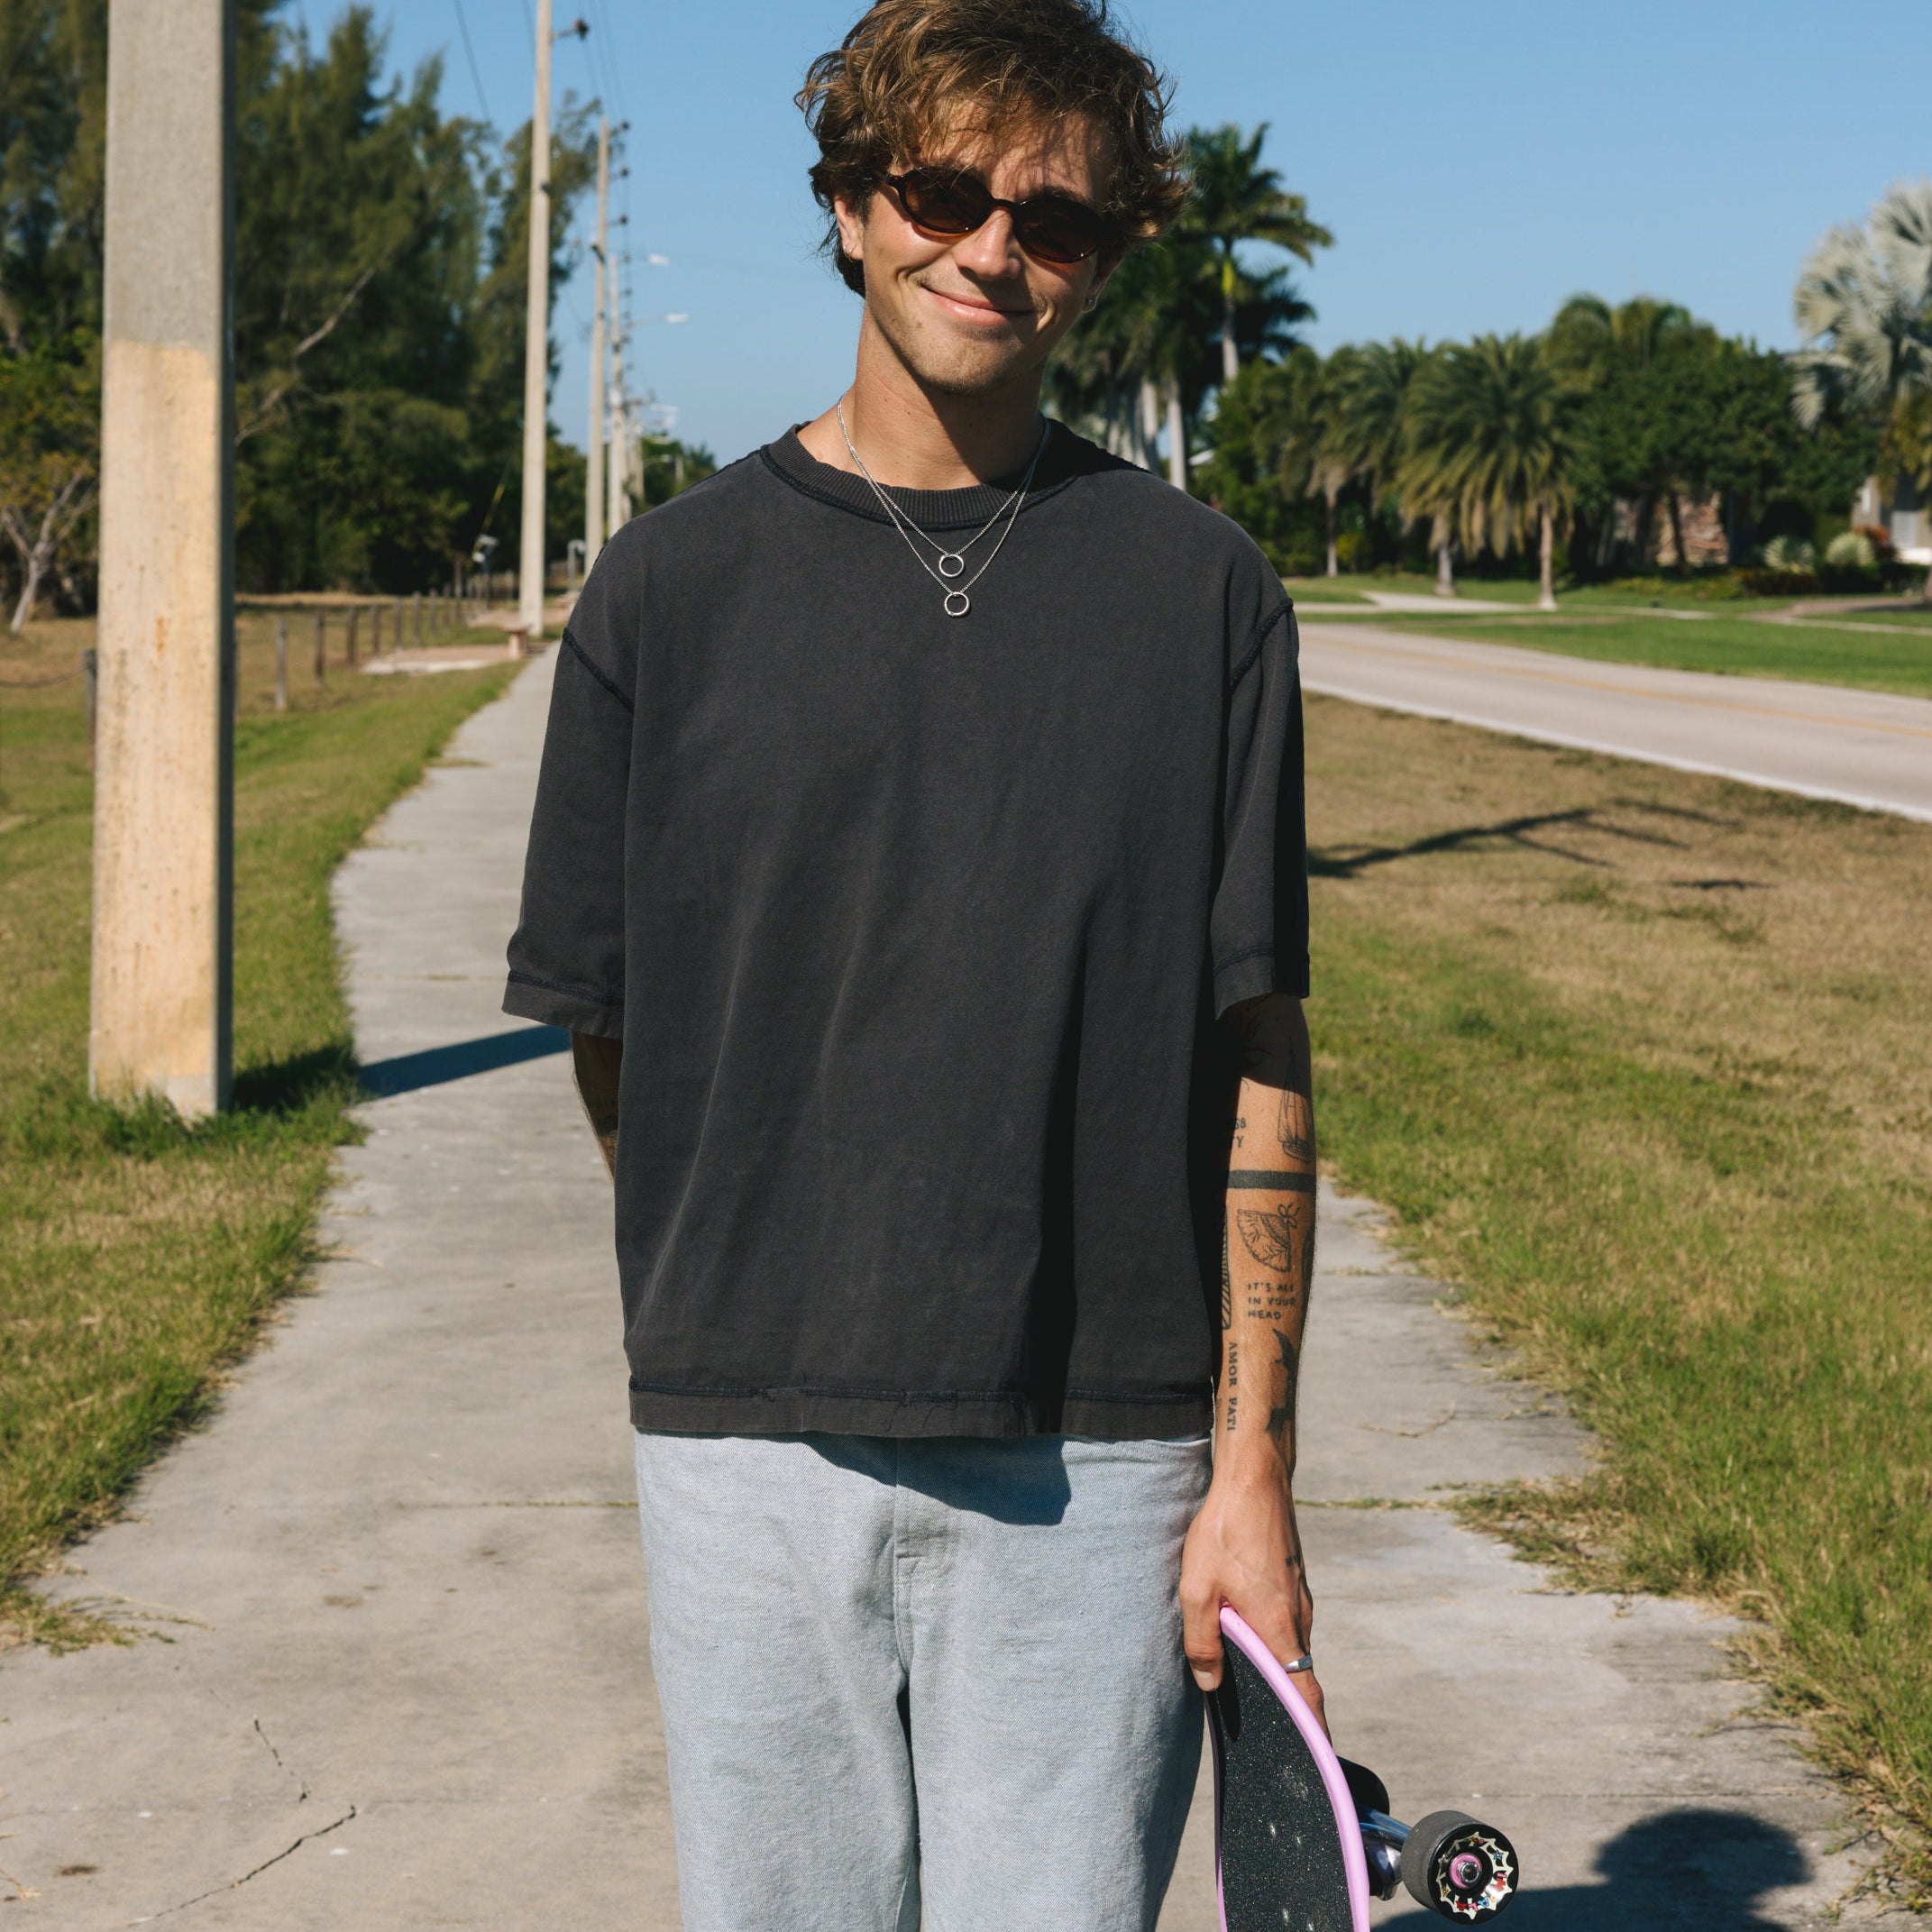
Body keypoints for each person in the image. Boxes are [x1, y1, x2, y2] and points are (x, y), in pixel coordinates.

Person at [502, 2, 1318, 1925]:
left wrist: (1250, 1467)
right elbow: (609, 1025)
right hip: (746, 1439)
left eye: (1055, 219)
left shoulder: (1203, 595)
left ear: (1107, 255)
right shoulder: (671, 585)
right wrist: (766, 1245)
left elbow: (1258, 1044)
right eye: (940, 192)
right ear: (854, 208)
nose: (990, 250)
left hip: (1102, 1444)